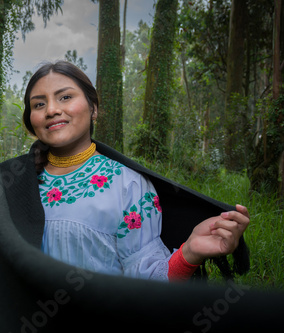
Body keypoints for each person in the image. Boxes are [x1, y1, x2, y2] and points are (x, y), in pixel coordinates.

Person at [21, 60, 250, 281]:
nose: (51, 109)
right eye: (39, 104)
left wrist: (190, 252)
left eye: (65, 97)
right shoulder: (15, 183)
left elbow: (146, 281)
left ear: (94, 109)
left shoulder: (127, 184)